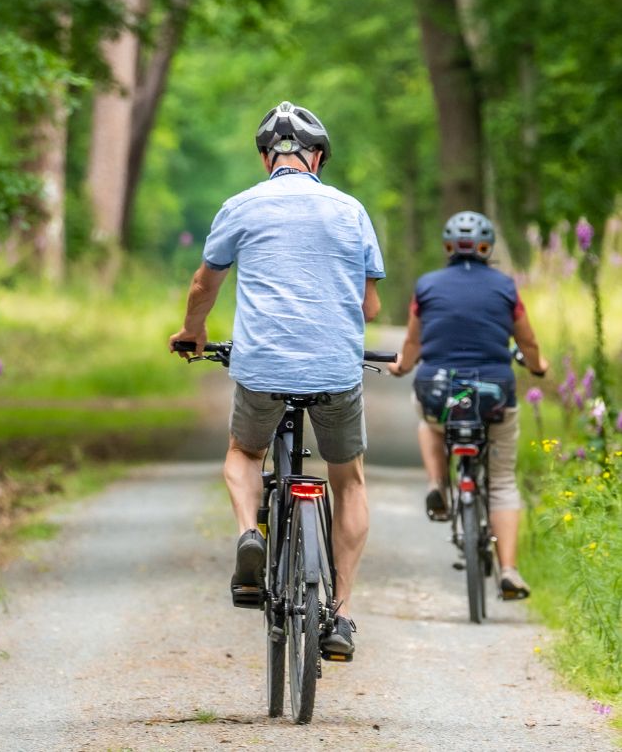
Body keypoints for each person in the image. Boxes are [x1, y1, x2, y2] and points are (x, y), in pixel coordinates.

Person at [169, 101, 385, 657]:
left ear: (268, 157)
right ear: (317, 157)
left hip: (262, 366)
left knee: (244, 453)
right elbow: (371, 304)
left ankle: (249, 534)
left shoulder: (241, 206)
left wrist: (194, 332)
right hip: (336, 368)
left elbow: (203, 285)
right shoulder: (350, 210)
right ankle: (339, 617)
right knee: (350, 479)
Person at [387, 210, 549, 599]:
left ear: (447, 247)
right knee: (504, 482)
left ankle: (437, 484)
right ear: (487, 247)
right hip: (494, 394)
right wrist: (539, 366)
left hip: (439, 391)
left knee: (428, 420)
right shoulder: (506, 287)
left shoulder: (426, 286)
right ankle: (509, 570)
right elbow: (527, 342)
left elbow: (413, 343)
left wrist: (402, 366)